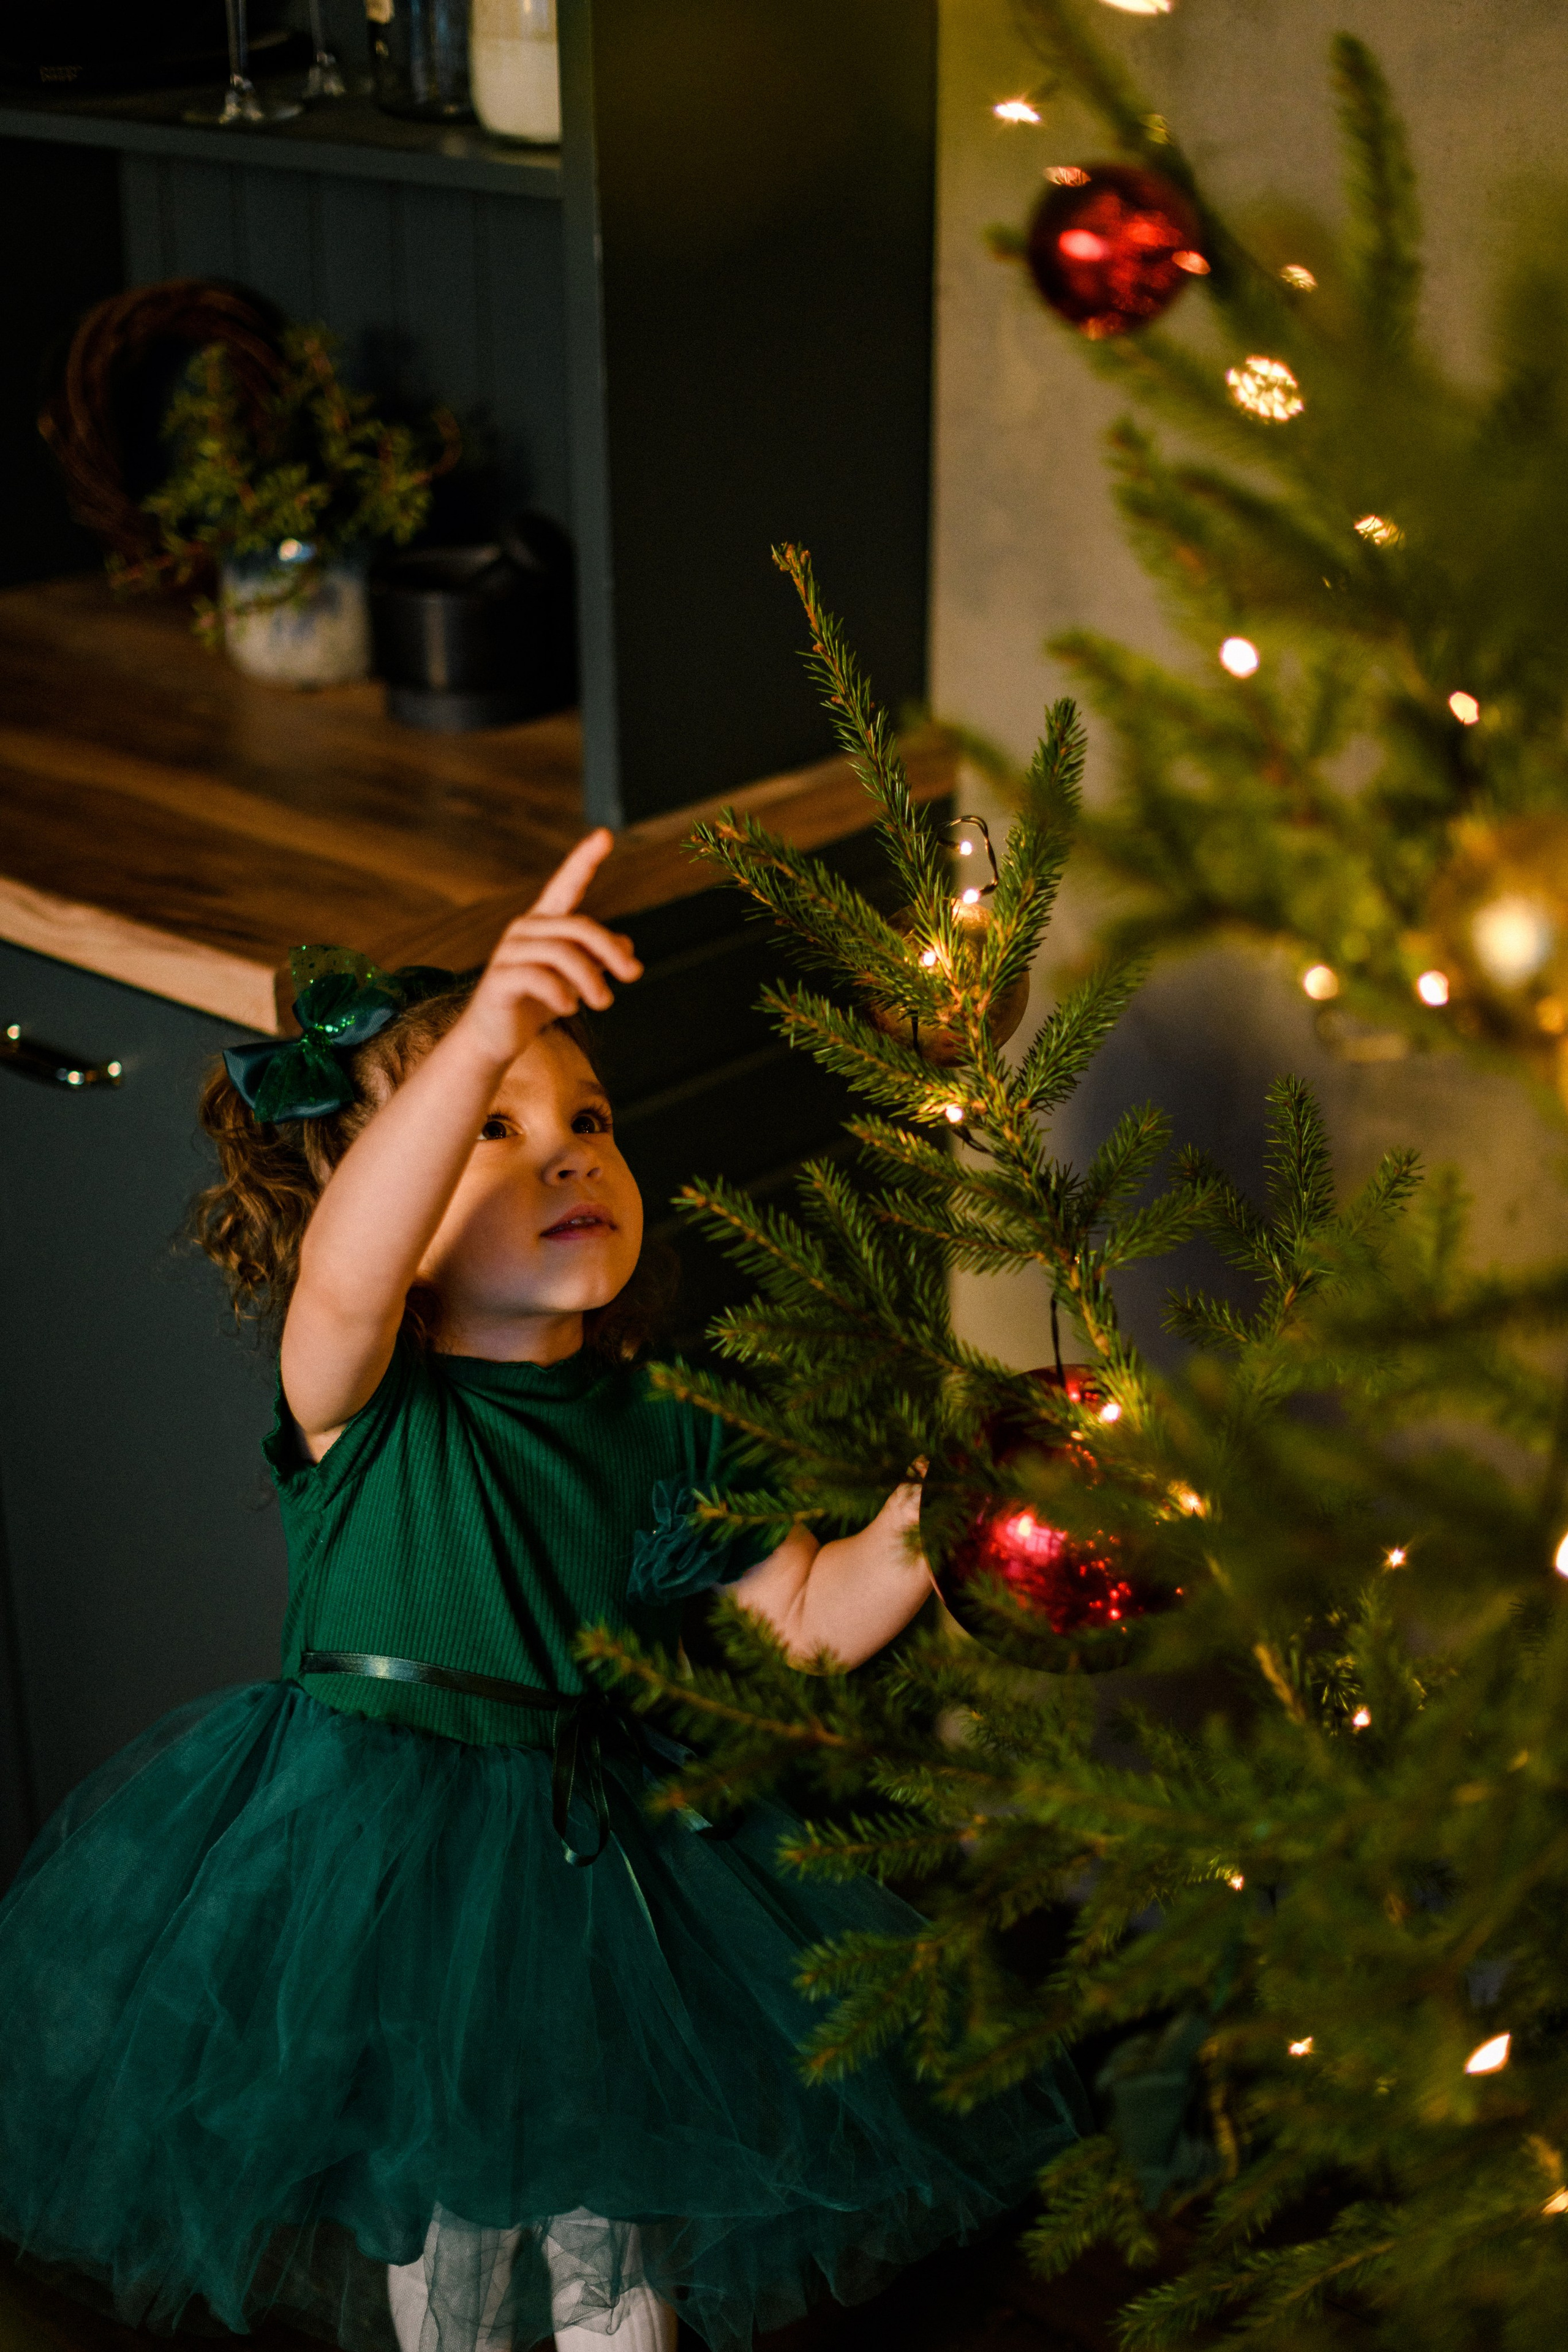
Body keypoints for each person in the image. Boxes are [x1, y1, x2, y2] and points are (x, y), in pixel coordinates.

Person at [0, 831, 1085, 2352]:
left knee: (610, 2229)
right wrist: (483, 1032)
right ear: (390, 1190)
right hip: (395, 1869)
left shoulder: (676, 1422)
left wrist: (946, 1501)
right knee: (453, 2224)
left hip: (613, 1874)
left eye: (589, 1115)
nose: (568, 1146)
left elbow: (801, 1624)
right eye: (489, 1133)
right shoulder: (362, 1397)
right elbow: (348, 1270)